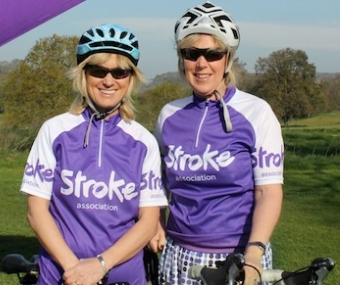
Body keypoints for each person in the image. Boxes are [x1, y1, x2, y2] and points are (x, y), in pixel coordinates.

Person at [20, 23, 168, 285]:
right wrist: (74, 269)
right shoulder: (54, 130)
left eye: (120, 72)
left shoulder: (143, 140)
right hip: (62, 274)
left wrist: (100, 265)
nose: (109, 80)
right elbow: (36, 211)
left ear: (131, 78)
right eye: (98, 70)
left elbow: (148, 221)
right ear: (83, 74)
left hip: (122, 276)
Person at [150, 2, 284, 285]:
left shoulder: (257, 112)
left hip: (240, 257)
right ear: (181, 58)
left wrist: (255, 253)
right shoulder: (169, 115)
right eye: (191, 53)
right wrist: (156, 222)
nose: (201, 63)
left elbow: (268, 192)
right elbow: (156, 183)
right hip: (178, 254)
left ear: (228, 59)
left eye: (213, 54)